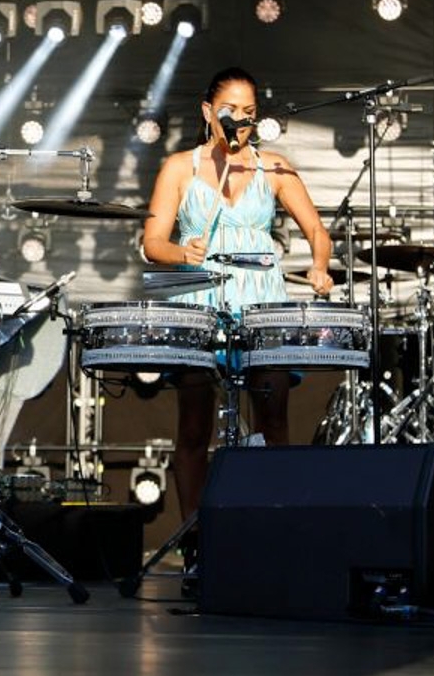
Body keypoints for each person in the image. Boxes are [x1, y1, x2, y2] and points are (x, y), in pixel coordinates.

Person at [141, 68, 334, 526]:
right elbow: (153, 242)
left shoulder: (275, 167)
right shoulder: (179, 167)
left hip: (261, 304)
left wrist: (320, 265)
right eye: (230, 110)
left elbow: (316, 229)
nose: (239, 120)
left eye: (249, 112)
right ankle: (194, 535)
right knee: (194, 426)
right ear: (208, 112)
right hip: (200, 301)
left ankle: (272, 526)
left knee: (273, 421)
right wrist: (181, 252)